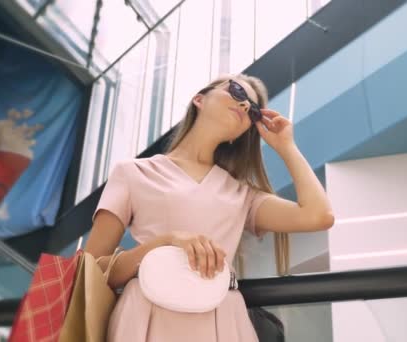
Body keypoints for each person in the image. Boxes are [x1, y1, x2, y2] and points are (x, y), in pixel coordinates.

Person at [85, 73, 335, 342]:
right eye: (238, 92)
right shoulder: (132, 173)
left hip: (223, 319)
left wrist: (286, 146)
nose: (243, 106)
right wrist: (165, 243)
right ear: (199, 99)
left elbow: (318, 216)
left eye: (252, 111)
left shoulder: (242, 194)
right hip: (145, 314)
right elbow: (89, 270)